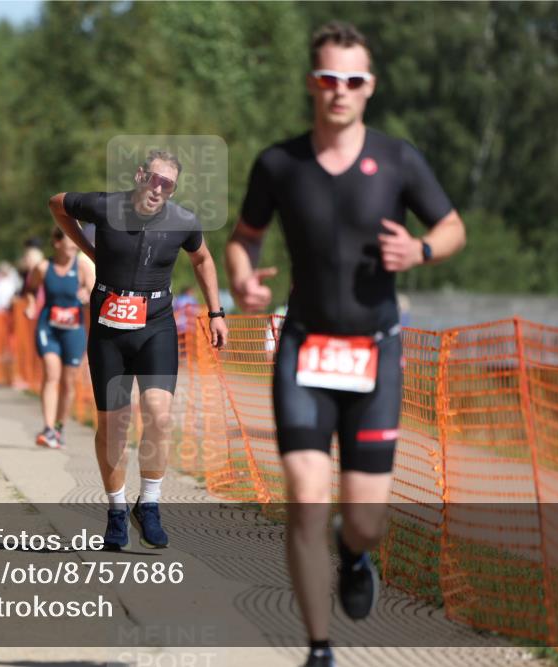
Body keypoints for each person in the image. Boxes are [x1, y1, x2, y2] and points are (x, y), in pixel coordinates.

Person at [225, 22, 467, 667]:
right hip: (304, 350)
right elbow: (243, 236)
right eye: (329, 79)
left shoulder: (398, 160)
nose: (340, 90)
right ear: (312, 84)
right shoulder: (280, 164)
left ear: (369, 88)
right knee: (305, 494)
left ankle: (356, 552)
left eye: (353, 80)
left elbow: (451, 228)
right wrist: (244, 279)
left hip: (375, 352)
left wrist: (418, 250)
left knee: (364, 520)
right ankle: (319, 647)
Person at [49, 149, 228, 551]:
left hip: (156, 326)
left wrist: (216, 311)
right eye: (155, 179)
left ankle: (149, 506)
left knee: (159, 417)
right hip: (109, 331)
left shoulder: (183, 221)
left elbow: (202, 259)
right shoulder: (104, 205)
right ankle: (115, 512)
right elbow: (57, 204)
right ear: (140, 175)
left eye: (169, 185)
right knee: (113, 426)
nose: (159, 189)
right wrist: (86, 247)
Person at [24, 227, 95, 449]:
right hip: (49, 328)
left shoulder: (82, 267)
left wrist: (86, 295)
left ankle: (59, 427)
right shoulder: (43, 268)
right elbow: (29, 288)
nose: (75, 244)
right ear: (56, 242)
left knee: (68, 381)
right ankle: (47, 429)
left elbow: (96, 293)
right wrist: (31, 304)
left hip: (73, 331)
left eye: (77, 240)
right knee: (51, 374)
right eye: (70, 239)